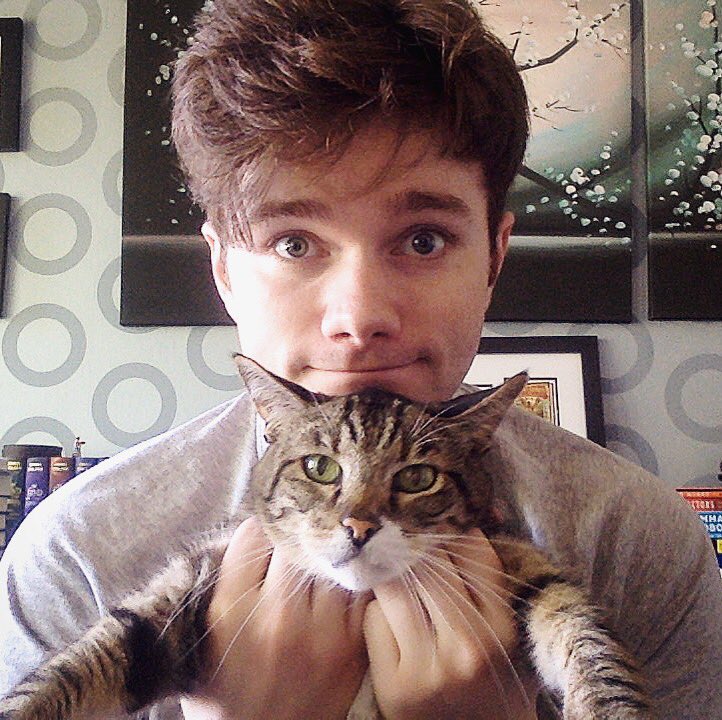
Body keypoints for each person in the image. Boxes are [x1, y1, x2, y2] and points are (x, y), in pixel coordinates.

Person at [2, 0, 721, 718]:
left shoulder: (639, 542)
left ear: (494, 258)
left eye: (423, 240)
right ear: (223, 269)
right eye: (293, 243)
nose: (360, 317)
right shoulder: (74, 559)